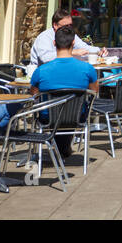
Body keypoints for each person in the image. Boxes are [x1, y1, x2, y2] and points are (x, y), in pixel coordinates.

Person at [28, 25, 100, 162]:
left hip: (48, 118)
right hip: (77, 116)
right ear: (73, 43)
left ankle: (60, 149)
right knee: (70, 109)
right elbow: (94, 91)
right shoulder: (87, 69)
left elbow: (34, 94)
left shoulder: (41, 70)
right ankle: (63, 149)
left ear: (54, 43)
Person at [28, 8, 107, 68]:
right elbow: (45, 58)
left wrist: (99, 51)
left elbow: (84, 47)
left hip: (61, 72)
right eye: (66, 26)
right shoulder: (45, 37)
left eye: (70, 25)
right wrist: (71, 52)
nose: (68, 28)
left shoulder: (69, 33)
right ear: (55, 25)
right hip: (42, 76)